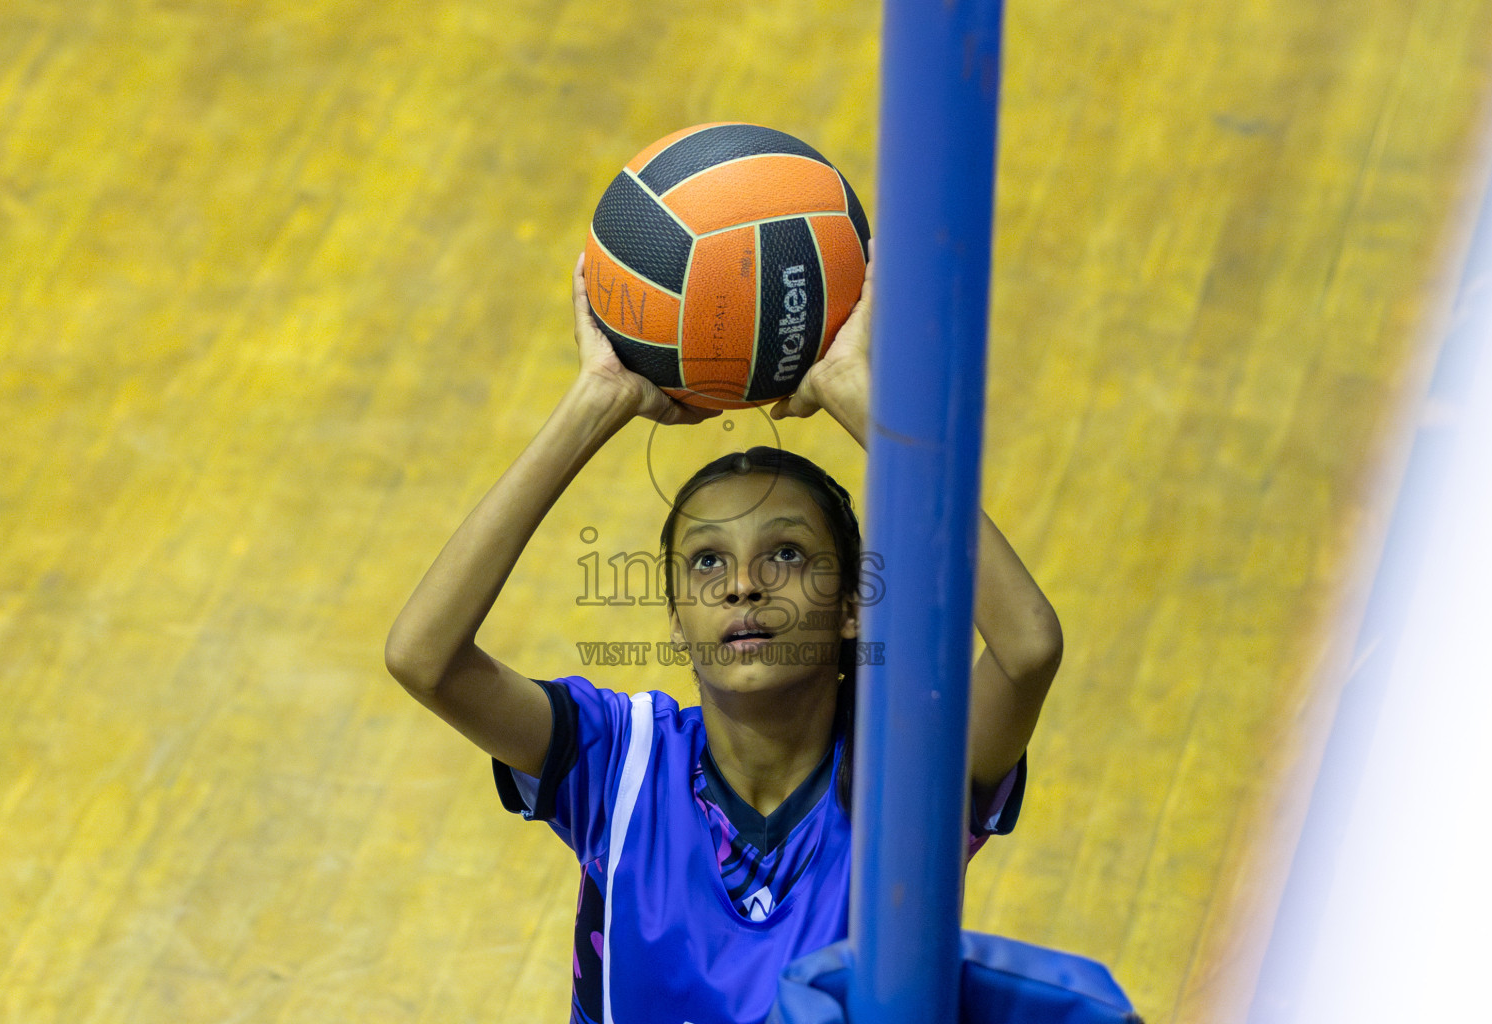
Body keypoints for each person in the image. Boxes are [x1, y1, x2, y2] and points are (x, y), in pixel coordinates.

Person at [384, 251, 1063, 1024]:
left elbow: (1029, 646)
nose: (744, 584)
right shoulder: (621, 759)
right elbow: (424, 658)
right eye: (708, 561)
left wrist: (853, 394)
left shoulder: (908, 778)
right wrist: (595, 400)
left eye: (786, 554)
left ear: (851, 608)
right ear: (677, 621)